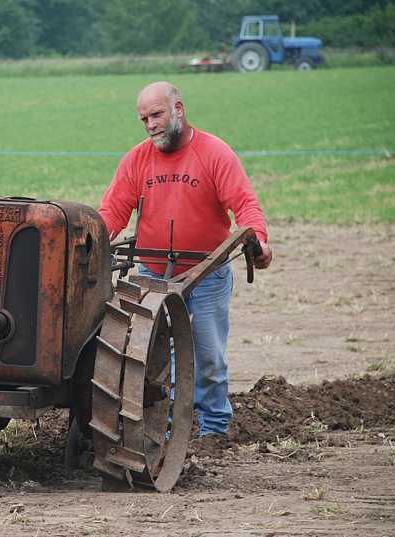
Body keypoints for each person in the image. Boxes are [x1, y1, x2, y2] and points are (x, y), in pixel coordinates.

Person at [98, 81, 273, 437]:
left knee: (208, 356)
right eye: (144, 118)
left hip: (208, 271)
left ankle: (212, 430)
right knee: (153, 356)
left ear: (179, 109)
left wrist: (260, 240)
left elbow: (245, 205)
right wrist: (88, 240)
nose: (150, 124)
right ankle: (162, 430)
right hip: (153, 272)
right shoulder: (136, 159)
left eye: (157, 114)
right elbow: (113, 212)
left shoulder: (214, 153)